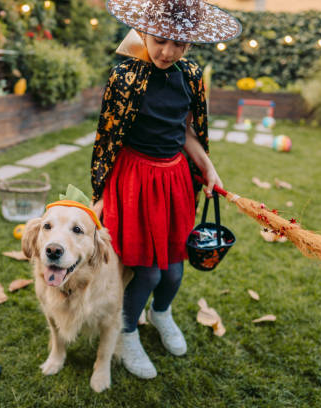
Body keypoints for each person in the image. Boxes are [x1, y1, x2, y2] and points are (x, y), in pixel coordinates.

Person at [90, 0, 241, 379]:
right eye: (160, 40)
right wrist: (102, 195)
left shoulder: (188, 75)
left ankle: (160, 314)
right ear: (144, 31)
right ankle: (125, 333)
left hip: (173, 179)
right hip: (135, 180)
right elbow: (110, 137)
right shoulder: (124, 76)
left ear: (189, 45)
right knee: (148, 272)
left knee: (174, 271)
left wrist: (208, 168)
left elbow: (186, 131)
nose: (168, 52)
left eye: (179, 44)